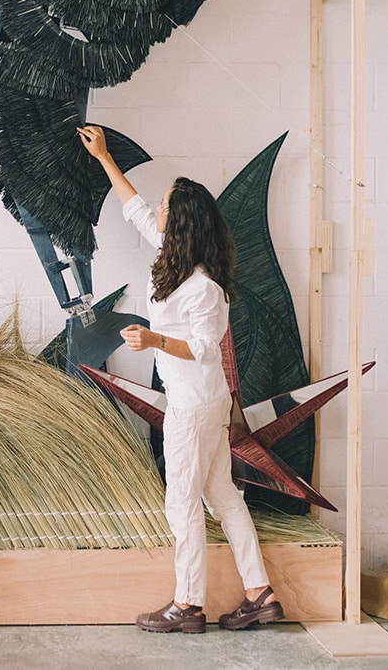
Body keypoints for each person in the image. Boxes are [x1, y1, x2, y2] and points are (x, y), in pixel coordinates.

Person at [78, 124, 283, 634]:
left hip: (193, 407)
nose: (159, 209)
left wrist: (154, 340)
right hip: (203, 403)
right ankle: (259, 594)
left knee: (183, 502)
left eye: (166, 205)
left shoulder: (203, 287)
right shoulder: (173, 257)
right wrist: (104, 157)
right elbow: (134, 210)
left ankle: (188, 604)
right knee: (223, 497)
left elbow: (204, 349)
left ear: (182, 222)